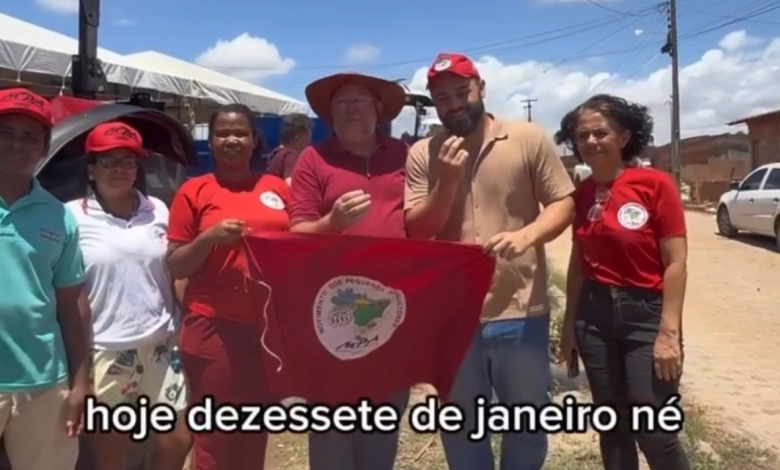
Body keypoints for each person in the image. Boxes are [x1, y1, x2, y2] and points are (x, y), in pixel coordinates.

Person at [404, 53, 575, 470]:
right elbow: (417, 229)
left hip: (521, 308)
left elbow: (563, 203)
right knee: (462, 426)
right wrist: (446, 182)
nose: (453, 104)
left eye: (461, 92)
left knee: (526, 423)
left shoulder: (528, 139)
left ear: (480, 87)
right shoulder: (423, 154)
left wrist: (527, 235)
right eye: (442, 98)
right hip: (453, 316)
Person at [556, 94, 690, 470]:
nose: (590, 141)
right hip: (593, 318)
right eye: (582, 135)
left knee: (655, 431)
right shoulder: (580, 196)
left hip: (645, 315)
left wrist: (669, 333)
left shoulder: (655, 185)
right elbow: (578, 264)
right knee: (612, 427)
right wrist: (569, 327)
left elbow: (676, 262)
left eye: (601, 132)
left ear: (624, 137)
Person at [288, 72, 410, 470]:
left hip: (392, 311)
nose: (351, 108)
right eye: (342, 102)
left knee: (383, 421)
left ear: (378, 109)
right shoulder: (313, 158)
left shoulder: (406, 155)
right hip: (333, 314)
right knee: (332, 429)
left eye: (360, 100)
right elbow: (297, 232)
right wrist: (332, 224)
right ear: (330, 113)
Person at [166, 103, 290, 470]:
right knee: (216, 436)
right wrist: (209, 238)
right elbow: (176, 264)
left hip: (267, 329)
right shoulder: (194, 191)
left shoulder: (276, 187)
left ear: (254, 140)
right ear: (211, 141)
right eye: (222, 133)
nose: (231, 140)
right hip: (214, 326)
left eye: (240, 133)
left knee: (254, 429)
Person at [64, 122, 191, 470]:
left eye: (128, 161)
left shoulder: (158, 209)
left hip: (162, 344)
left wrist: (189, 325)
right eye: (109, 161)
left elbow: (173, 273)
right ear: (91, 170)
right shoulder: (70, 216)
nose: (119, 169)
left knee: (178, 438)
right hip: (106, 349)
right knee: (110, 452)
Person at [0, 88, 91, 470]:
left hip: (44, 382)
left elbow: (72, 305)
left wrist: (81, 383)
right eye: (5, 132)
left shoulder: (59, 216)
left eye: (29, 137)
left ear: (44, 148)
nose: (16, 144)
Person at [266, 112, 312, 185]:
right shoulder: (290, 155)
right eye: (308, 137)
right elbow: (290, 183)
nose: (310, 141)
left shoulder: (275, 154)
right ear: (297, 139)